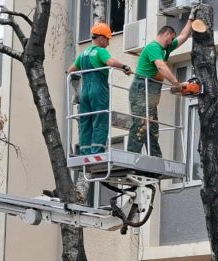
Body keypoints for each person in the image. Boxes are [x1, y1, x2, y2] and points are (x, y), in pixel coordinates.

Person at [127, 17, 194, 158]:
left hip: (150, 90)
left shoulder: (165, 49)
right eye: (171, 38)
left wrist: (191, 19)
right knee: (140, 123)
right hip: (142, 88)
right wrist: (176, 83)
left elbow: (183, 36)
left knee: (152, 127)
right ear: (167, 35)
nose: (172, 42)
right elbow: (161, 66)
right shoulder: (153, 47)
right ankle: (131, 157)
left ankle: (155, 158)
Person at [68, 22, 132, 155]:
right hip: (98, 91)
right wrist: (124, 67)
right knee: (100, 119)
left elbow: (71, 70)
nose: (108, 43)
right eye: (107, 39)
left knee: (86, 121)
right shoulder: (101, 51)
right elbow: (111, 62)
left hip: (85, 92)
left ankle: (85, 152)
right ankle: (97, 151)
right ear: (102, 38)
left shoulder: (84, 53)